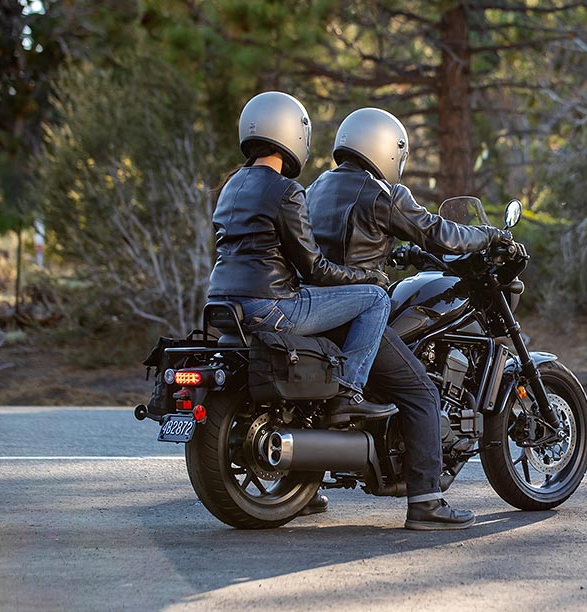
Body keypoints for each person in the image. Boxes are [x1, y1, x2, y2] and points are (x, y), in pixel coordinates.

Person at [305, 107, 513, 530]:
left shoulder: (315, 189)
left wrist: (397, 251)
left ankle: (303, 489)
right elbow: (438, 232)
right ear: (387, 148)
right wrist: (489, 235)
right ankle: (426, 503)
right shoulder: (382, 194)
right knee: (422, 393)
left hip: (312, 311)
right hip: (357, 315)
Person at [208, 91, 398, 424]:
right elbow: (314, 268)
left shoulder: (231, 186)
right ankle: (349, 393)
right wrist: (369, 277)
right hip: (270, 306)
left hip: (222, 303)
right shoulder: (285, 190)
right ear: (293, 134)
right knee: (376, 299)